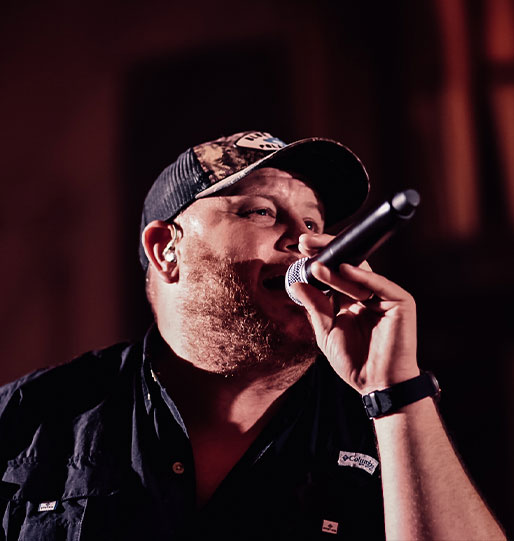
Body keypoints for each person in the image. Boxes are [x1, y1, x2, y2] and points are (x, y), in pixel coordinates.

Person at [0, 131, 506, 540]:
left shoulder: (397, 425)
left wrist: (393, 392)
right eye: (261, 212)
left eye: (314, 222)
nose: (305, 241)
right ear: (166, 251)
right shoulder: (29, 417)